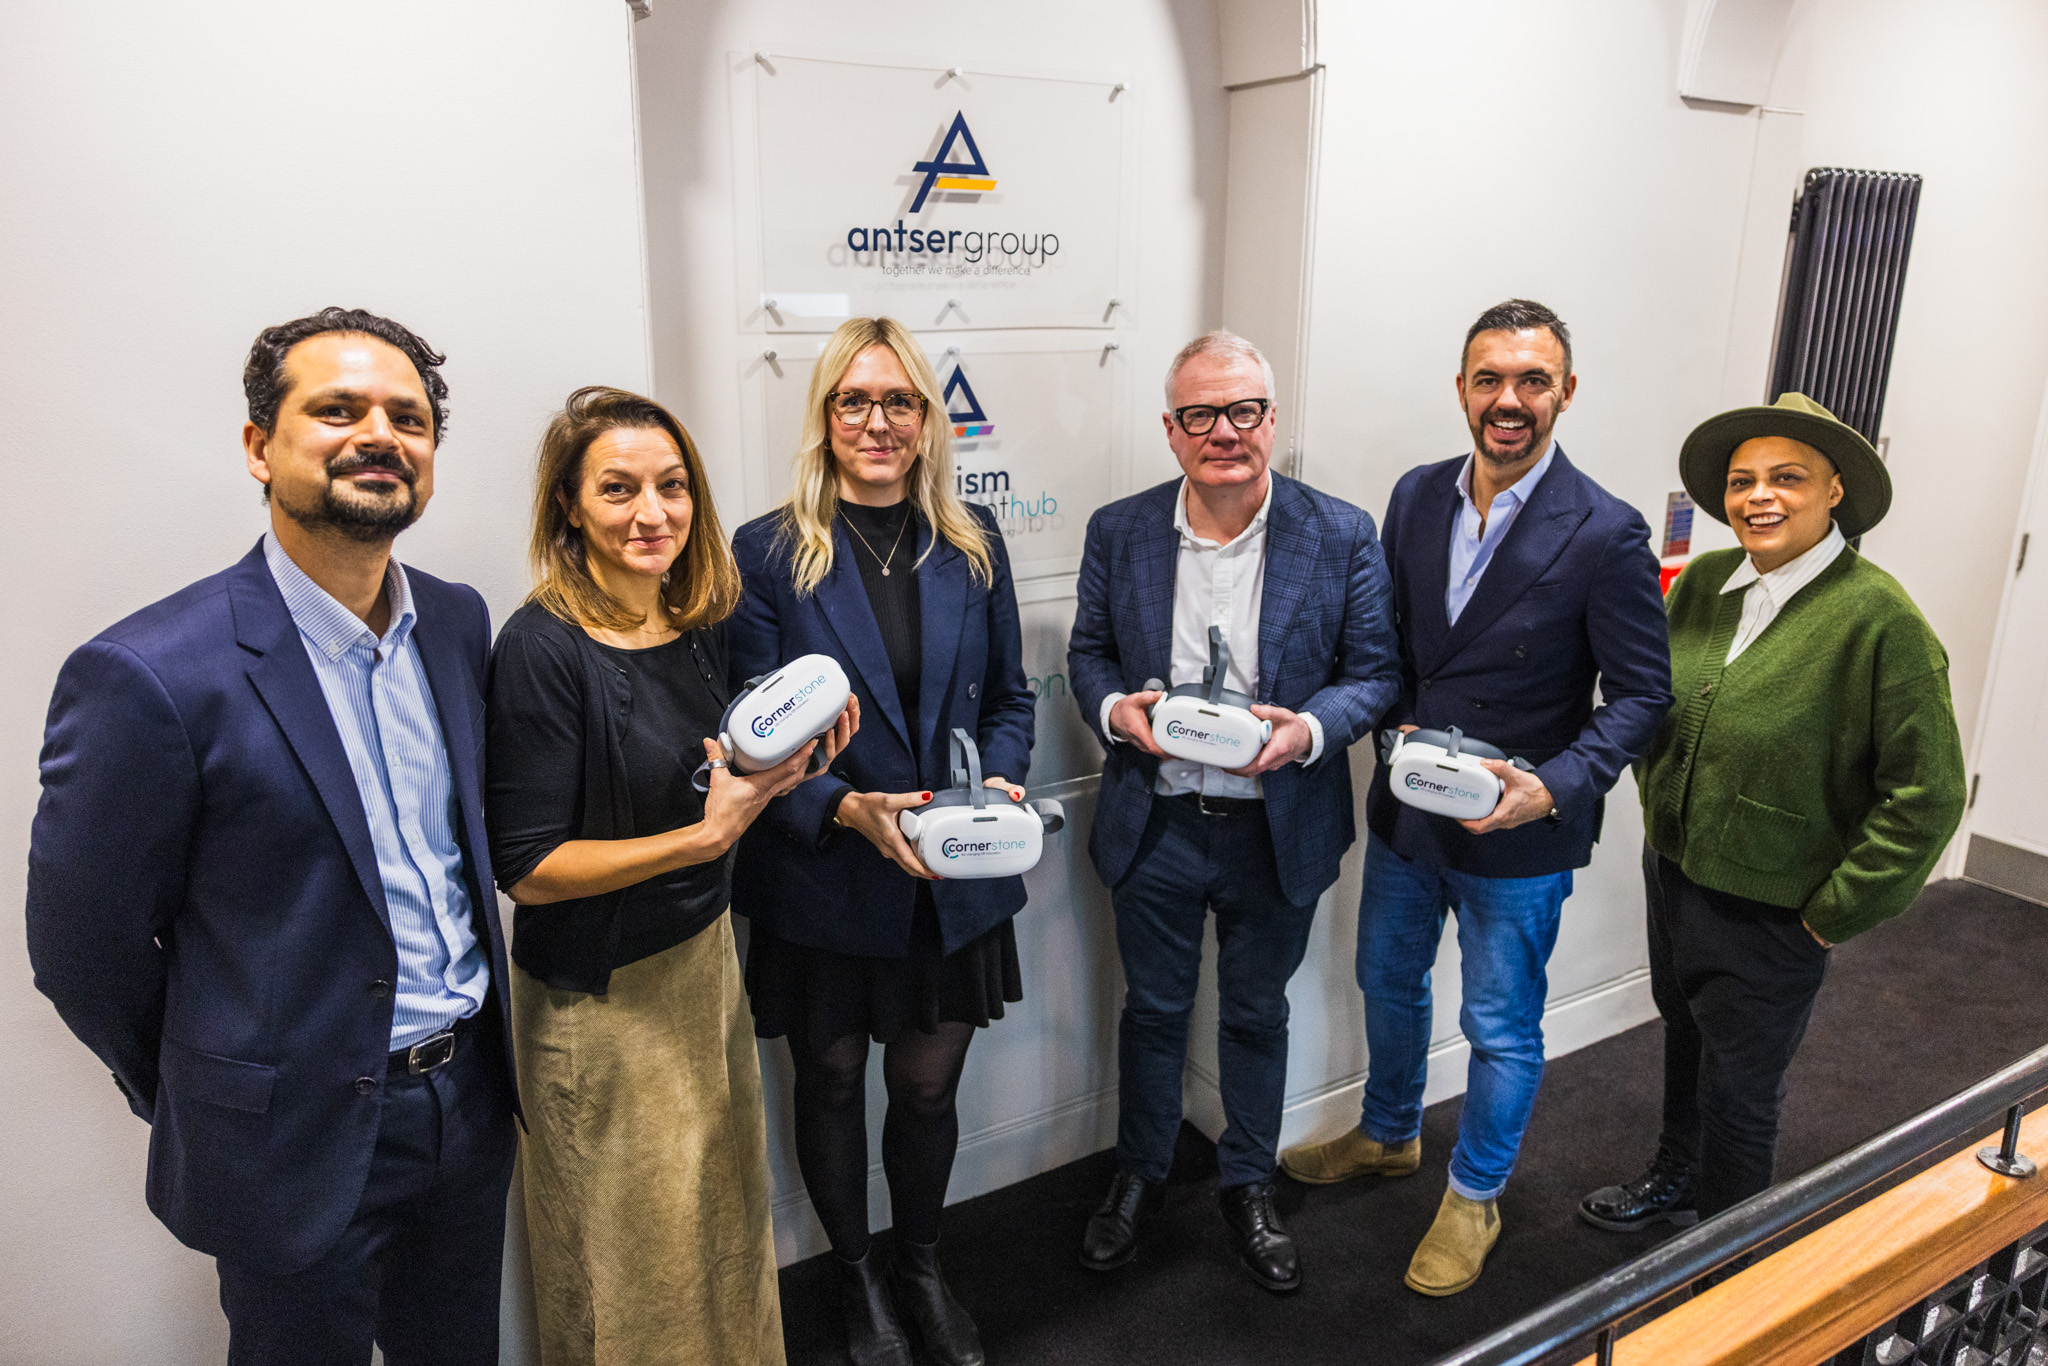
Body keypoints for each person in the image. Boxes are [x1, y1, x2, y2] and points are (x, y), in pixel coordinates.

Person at [27, 308, 518, 1364]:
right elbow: (81, 948)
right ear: (259, 445)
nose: (379, 435)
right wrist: (219, 1087)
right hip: (291, 1143)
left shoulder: (458, 621)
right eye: (336, 409)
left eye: (409, 417)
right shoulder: (150, 674)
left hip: (469, 1105)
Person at [1281, 299, 1673, 1298]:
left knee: (1500, 1022)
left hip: (1518, 834)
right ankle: (1387, 1133)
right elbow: (1391, 648)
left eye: (1530, 380)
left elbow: (1639, 695)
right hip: (1412, 815)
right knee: (1385, 978)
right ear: (1460, 389)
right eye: (1488, 378)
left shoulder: (1606, 530)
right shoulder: (1413, 497)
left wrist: (1549, 788)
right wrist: (1385, 723)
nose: (1508, 399)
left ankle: (1475, 1193)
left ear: (1564, 393)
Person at [485, 387, 855, 1365]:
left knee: (719, 1240)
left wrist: (787, 774)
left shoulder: (697, 625)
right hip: (601, 1007)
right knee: (630, 1277)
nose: (652, 512)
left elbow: (705, 783)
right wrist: (699, 842)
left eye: (671, 485)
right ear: (567, 504)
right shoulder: (540, 648)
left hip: (700, 969)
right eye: (617, 488)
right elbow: (524, 867)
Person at [1578, 393, 1966, 1236]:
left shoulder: (1880, 620)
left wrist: (1830, 917)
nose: (1759, 496)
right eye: (1744, 480)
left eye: (1787, 478)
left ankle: (1726, 1270)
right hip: (1677, 874)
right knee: (1684, 1033)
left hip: (1778, 910)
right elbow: (1656, 701)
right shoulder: (1708, 584)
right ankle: (1677, 1175)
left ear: (1835, 491)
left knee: (1742, 1091)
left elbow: (1927, 796)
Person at [727, 316, 1036, 1366]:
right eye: (853, 400)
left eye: (898, 400)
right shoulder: (769, 553)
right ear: (824, 417)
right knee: (827, 1083)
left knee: (924, 1088)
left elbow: (1009, 697)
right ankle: (855, 1280)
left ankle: (919, 1262)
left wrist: (997, 775)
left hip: (951, 877)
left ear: (927, 418)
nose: (876, 421)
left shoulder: (972, 538)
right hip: (825, 876)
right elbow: (746, 728)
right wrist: (844, 811)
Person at [1067, 330, 1401, 1293]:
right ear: (1171, 431)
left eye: (1244, 410)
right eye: (1202, 415)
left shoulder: (1339, 533)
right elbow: (1088, 654)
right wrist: (1114, 713)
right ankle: (1140, 1173)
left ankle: (1249, 1183)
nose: (1226, 432)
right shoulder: (1119, 529)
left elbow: (1373, 676)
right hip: (1158, 822)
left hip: (1276, 826)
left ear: (1270, 418)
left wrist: (1307, 732)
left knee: (1257, 1013)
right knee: (1155, 1013)